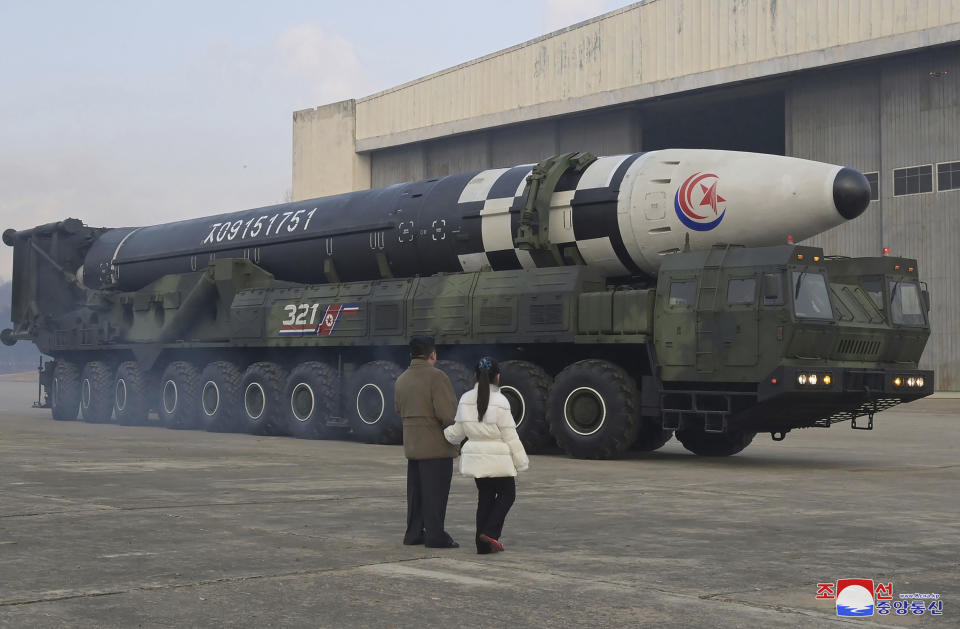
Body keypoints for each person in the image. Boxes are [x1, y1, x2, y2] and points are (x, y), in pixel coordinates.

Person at [444, 357, 529, 554]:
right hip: (499, 460)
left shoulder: (465, 399)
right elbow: (510, 435)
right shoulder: (501, 401)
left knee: (485, 497)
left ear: (475, 376)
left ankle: (482, 546)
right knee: (508, 494)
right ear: (497, 377)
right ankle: (490, 533)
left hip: (476, 461)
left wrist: (443, 435)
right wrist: (521, 461)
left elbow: (457, 432)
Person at [394, 336, 460, 548]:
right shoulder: (437, 377)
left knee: (416, 495)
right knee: (435, 494)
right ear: (432, 354)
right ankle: (435, 535)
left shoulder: (401, 378)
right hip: (436, 446)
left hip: (413, 446)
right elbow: (447, 414)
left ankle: (413, 534)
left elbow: (398, 409)